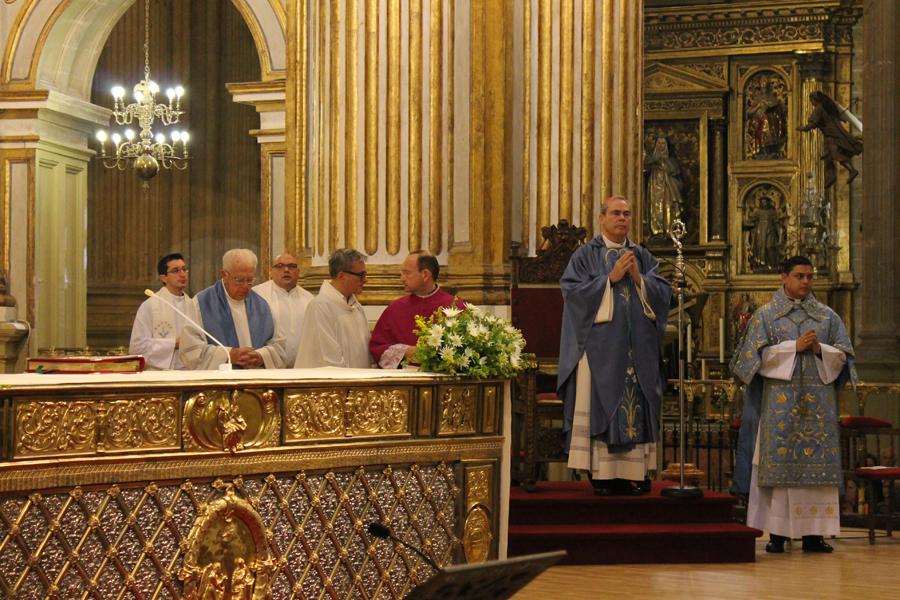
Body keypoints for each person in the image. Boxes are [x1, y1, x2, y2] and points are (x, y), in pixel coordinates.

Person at [731, 255, 855, 554]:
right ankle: (778, 534)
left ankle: (815, 535)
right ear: (783, 276)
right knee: (780, 472)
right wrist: (792, 348)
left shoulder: (827, 317)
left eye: (810, 276)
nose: (806, 282)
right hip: (779, 409)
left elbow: (845, 358)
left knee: (815, 479)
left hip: (817, 410)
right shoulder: (766, 316)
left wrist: (819, 349)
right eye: (800, 276)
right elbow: (749, 361)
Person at [557, 195, 672, 496]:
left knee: (638, 403)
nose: (622, 218)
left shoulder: (642, 256)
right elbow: (572, 295)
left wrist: (639, 279)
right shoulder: (585, 255)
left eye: (627, 214)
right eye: (616, 213)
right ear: (602, 218)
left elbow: (662, 294)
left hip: (638, 349)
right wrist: (610, 278)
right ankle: (603, 475)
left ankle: (635, 472)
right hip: (601, 351)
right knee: (603, 404)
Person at [180, 248, 286, 369]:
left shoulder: (262, 306)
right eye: (239, 280)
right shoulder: (201, 303)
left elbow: (279, 347)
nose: (246, 286)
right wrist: (228, 355)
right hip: (219, 384)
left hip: (255, 383)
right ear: (224, 275)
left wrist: (261, 356)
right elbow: (190, 350)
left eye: (250, 280)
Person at [369, 251, 466, 369]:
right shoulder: (395, 308)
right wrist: (405, 351)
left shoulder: (456, 307)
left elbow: (468, 351)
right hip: (402, 383)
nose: (402, 279)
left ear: (425, 274)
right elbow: (377, 348)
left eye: (406, 273)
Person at [294, 248, 372, 368]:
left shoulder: (356, 307)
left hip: (358, 383)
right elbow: (328, 359)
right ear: (341, 276)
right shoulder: (320, 306)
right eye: (361, 275)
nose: (365, 280)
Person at [128, 253, 197, 370]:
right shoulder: (149, 306)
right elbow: (137, 348)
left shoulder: (194, 305)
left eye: (184, 269)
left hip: (190, 372)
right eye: (175, 270)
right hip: (160, 374)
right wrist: (173, 344)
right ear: (163, 278)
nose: (182, 274)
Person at [252, 252, 314, 366]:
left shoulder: (309, 299)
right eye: (280, 266)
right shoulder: (257, 295)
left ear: (298, 272)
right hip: (267, 366)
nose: (286, 270)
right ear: (271, 272)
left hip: (302, 366)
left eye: (291, 266)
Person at [797, 91, 863, 189]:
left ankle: (851, 171)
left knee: (835, 153)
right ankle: (832, 175)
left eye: (811, 100)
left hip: (832, 134)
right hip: (832, 133)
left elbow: (813, 123)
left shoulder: (819, 109)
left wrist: (803, 128)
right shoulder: (827, 107)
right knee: (827, 156)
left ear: (815, 100)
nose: (811, 103)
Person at [644, 136, 684, 238]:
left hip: (668, 189)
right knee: (655, 208)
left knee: (669, 207)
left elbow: (675, 173)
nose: (661, 146)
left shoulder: (671, 161)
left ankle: (670, 230)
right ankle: (657, 231)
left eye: (663, 144)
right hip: (654, 188)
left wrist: (665, 166)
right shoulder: (650, 161)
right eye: (659, 143)